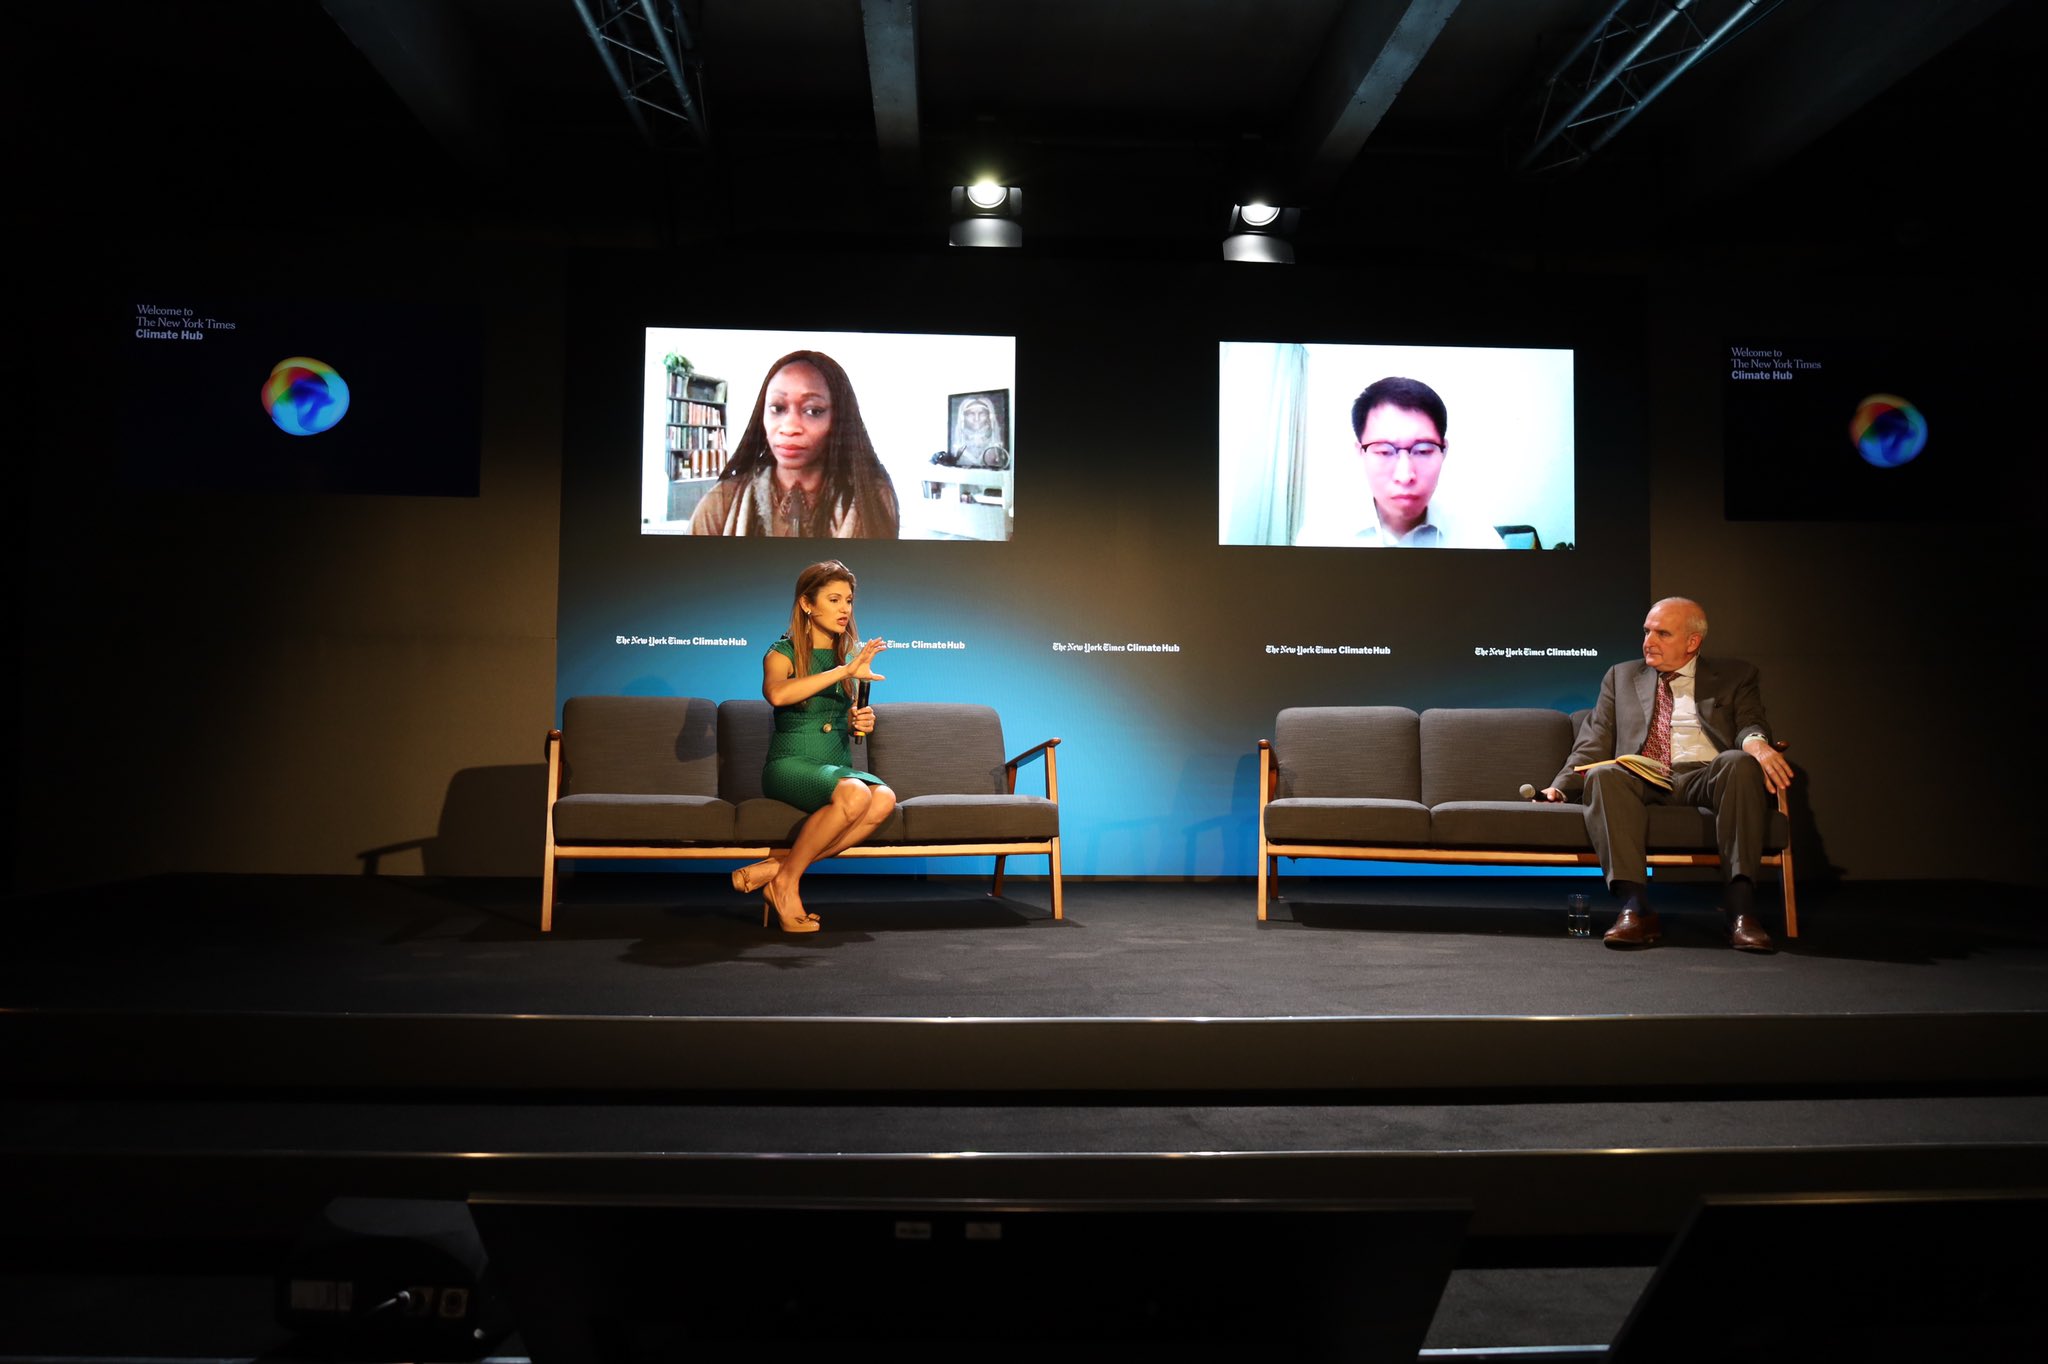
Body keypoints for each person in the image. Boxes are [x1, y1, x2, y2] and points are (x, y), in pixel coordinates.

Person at [1534, 597, 1794, 952]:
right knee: (1604, 774)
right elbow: (1594, 741)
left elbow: (1750, 722)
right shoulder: (1621, 676)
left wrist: (1756, 744)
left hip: (1707, 774)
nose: (1648, 641)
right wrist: (1561, 789)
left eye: (1662, 633)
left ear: (1692, 642)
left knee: (1737, 762)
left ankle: (1741, 912)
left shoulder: (1735, 676)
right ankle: (1635, 908)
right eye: (1646, 631)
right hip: (1645, 775)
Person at [728, 559, 894, 932]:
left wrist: (858, 719)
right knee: (855, 794)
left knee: (883, 797)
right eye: (834, 600)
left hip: (833, 763)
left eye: (848, 601)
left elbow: (844, 714)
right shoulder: (782, 652)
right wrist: (843, 671)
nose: (844, 609)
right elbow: (777, 694)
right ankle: (788, 884)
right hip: (790, 764)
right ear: (807, 603)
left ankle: (780, 870)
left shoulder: (847, 653)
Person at [690, 350, 901, 538]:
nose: (790, 427)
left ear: (838, 418)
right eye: (777, 408)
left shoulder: (873, 501)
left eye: (813, 411)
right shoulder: (720, 503)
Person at [1295, 375, 1506, 548]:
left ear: (1444, 451)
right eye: (1385, 452)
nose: (1405, 476)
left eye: (1423, 451)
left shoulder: (1478, 539)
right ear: (1361, 452)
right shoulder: (1320, 537)